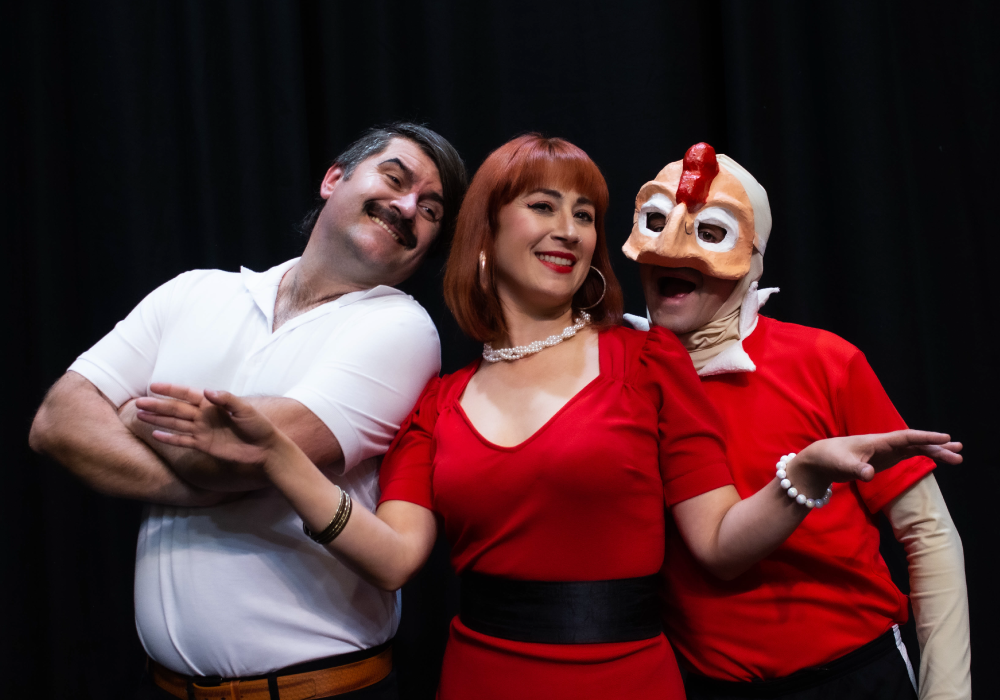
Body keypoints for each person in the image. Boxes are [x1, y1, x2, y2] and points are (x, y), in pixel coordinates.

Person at [131, 135, 961, 700]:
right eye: (542, 206)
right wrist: (280, 458)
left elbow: (717, 544)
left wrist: (802, 474)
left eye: (585, 213)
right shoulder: (438, 401)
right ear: (483, 237)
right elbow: (393, 560)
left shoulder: (649, 362)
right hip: (483, 676)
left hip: (632, 676)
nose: (568, 229)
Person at [28, 123, 467, 700]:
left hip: (319, 691)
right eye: (394, 178)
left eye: (430, 210)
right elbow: (57, 422)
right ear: (333, 178)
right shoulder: (194, 292)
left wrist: (133, 413)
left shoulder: (401, 327)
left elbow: (237, 456)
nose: (407, 207)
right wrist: (197, 489)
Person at [622, 142, 971, 700]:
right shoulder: (619, 379)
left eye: (709, 233)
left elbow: (927, 533)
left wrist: (947, 693)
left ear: (751, 257)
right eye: (658, 223)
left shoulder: (825, 362)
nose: (674, 249)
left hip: (855, 678)